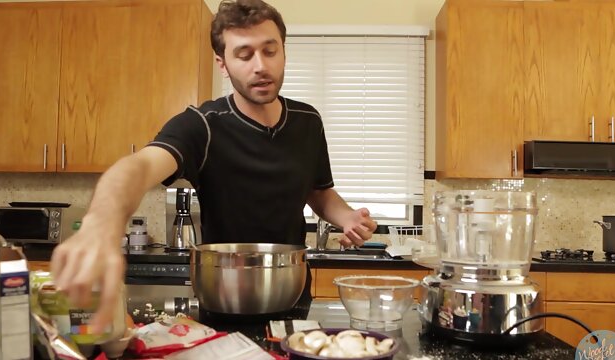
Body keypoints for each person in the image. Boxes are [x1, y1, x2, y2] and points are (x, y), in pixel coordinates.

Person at [50, 0, 377, 333]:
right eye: (244, 55)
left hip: (291, 292)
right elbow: (137, 168)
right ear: (223, 64)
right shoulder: (202, 125)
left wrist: (347, 217)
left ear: (283, 52)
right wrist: (100, 225)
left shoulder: (308, 121)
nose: (260, 66)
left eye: (270, 50)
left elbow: (318, 192)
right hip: (223, 298)